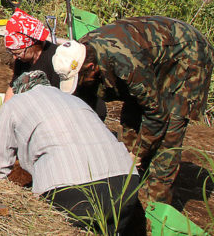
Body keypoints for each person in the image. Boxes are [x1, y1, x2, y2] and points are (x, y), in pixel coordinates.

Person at [52, 16, 214, 205]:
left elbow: (156, 114)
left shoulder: (127, 64)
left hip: (189, 55)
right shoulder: (80, 51)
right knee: (131, 118)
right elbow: (85, 99)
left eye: (79, 79)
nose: (79, 85)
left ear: (91, 67)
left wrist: (138, 153)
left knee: (169, 133)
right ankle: (131, 184)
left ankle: (155, 205)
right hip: (150, 55)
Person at [0, 71, 140, 234]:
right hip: (125, 181)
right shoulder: (74, 100)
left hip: (70, 189)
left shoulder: (13, 104)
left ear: (19, 91)